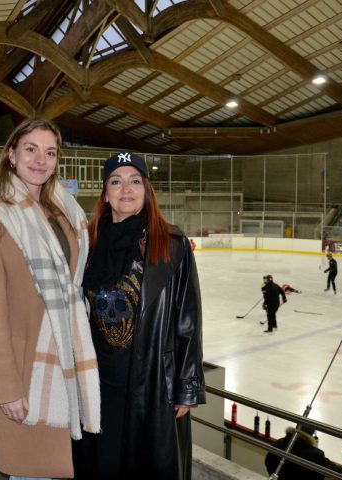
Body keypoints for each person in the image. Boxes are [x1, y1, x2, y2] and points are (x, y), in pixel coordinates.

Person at [0, 118, 100, 479]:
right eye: (31, 149)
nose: (40, 159)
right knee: (32, 472)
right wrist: (6, 389)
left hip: (68, 365)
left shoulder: (66, 214)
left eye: (50, 152)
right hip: (27, 373)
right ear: (11, 155)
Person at [73, 151, 206, 480]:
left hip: (149, 383)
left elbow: (187, 320)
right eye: (116, 182)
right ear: (106, 193)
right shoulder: (87, 244)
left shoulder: (171, 244)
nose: (126, 189)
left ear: (147, 190)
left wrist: (187, 387)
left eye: (135, 181)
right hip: (97, 383)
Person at [265, 424, 342, 480]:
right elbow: (332, 470)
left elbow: (268, 461)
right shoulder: (315, 454)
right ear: (310, 436)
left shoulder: (279, 442)